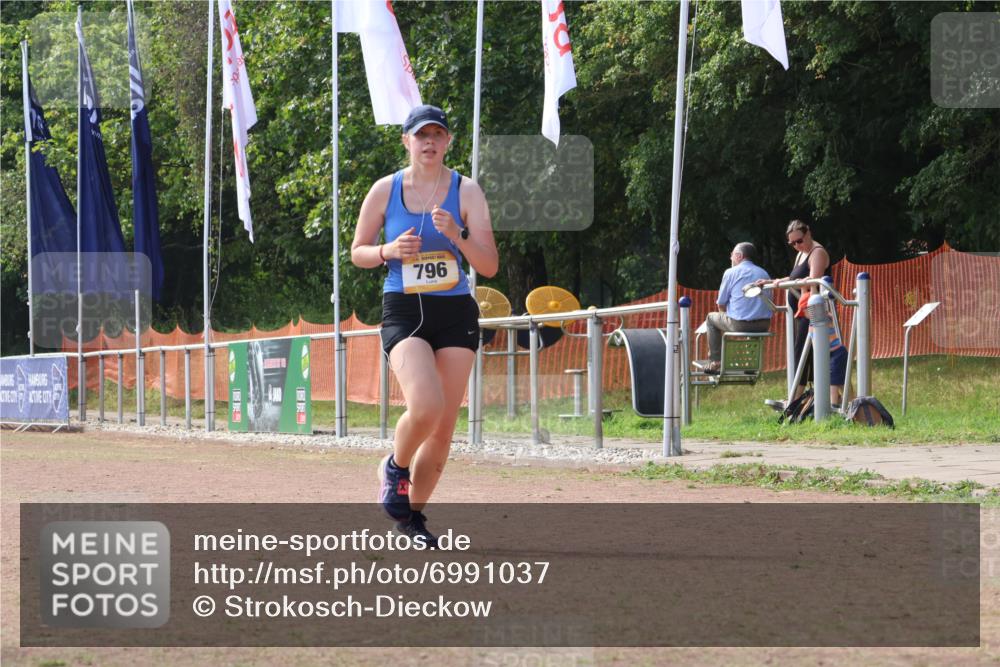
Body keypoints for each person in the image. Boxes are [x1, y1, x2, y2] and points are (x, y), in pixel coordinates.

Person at [350, 105, 498, 547]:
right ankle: (395, 467)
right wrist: (388, 250)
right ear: (407, 142)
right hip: (405, 308)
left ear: (448, 141)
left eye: (437, 134)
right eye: (421, 135)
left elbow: (488, 265)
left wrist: (458, 234)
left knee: (444, 425)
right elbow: (357, 251)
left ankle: (411, 519)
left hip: (455, 312)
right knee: (426, 404)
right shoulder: (385, 189)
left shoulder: (467, 191)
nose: (429, 142)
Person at [758, 220, 835, 401]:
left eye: (799, 241)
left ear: (808, 233)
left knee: (803, 354)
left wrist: (788, 283)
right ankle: (823, 399)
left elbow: (813, 281)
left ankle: (794, 400)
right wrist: (772, 282)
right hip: (801, 313)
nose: (796, 246)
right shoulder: (802, 254)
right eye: (792, 243)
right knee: (809, 356)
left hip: (813, 312)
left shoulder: (817, 253)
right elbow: (796, 277)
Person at [703, 243, 771, 374]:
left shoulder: (730, 272)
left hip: (740, 325)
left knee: (711, 318)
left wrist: (727, 317)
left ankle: (715, 360)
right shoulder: (764, 273)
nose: (731, 258)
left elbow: (721, 303)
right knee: (753, 315)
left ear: (739, 256)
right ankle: (750, 364)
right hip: (764, 325)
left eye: (732, 255)